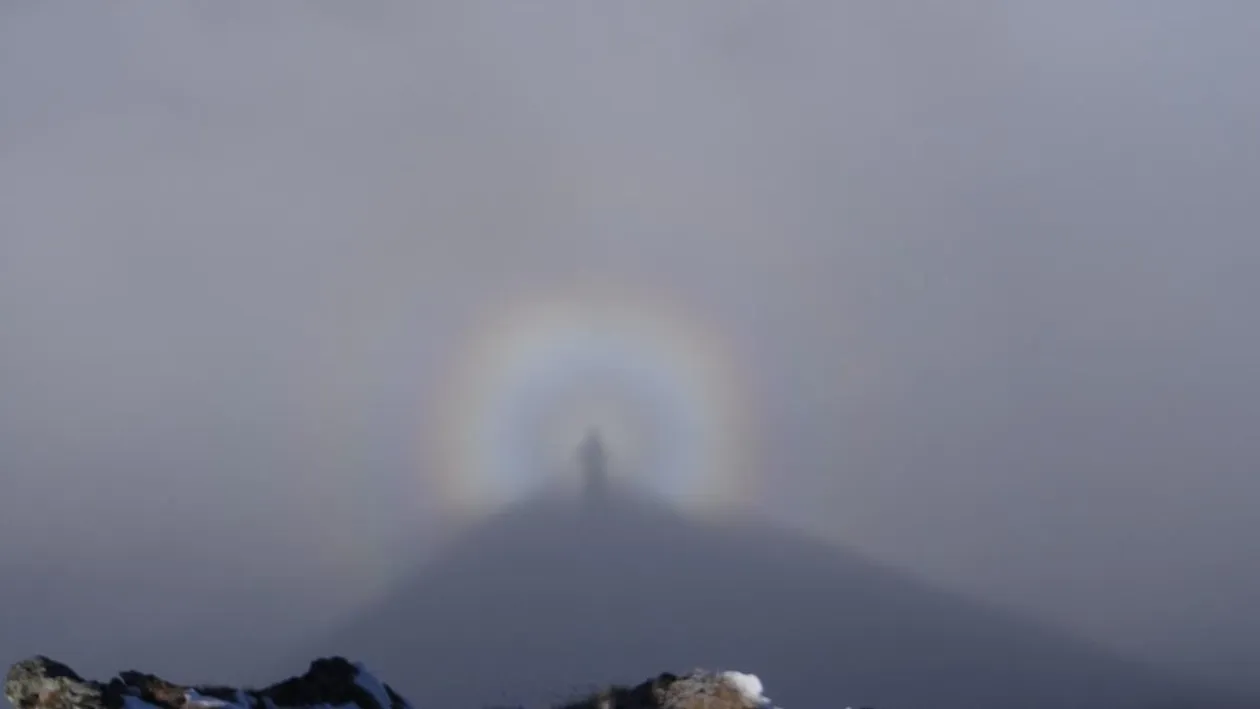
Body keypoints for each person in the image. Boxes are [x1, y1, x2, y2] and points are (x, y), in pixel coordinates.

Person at [578, 427, 609, 502]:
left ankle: (592, 498)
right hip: (593, 469)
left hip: (593, 469)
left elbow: (601, 455)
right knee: (593, 483)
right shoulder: (595, 444)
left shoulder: (590, 444)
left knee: (593, 483)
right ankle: (594, 499)